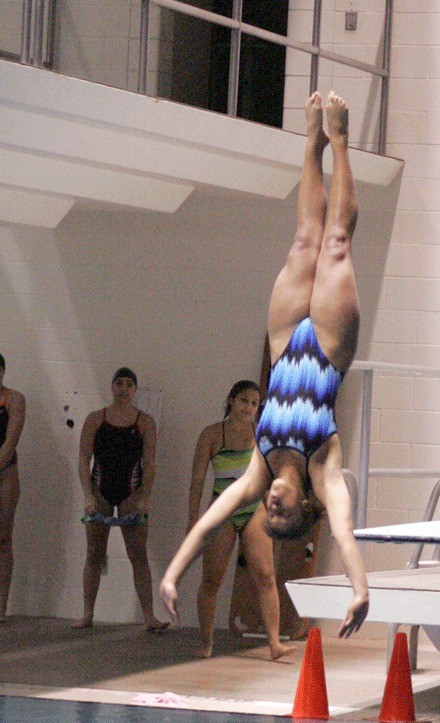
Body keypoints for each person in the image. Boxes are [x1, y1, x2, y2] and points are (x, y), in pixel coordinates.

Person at [161, 91, 369, 638]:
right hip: (326, 346)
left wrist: (173, 574)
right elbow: (345, 532)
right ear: (304, 509)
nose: (272, 504)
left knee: (305, 238)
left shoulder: (259, 467)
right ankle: (342, 143)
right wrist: (360, 589)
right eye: (283, 512)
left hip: (283, 344)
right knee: (337, 243)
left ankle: (310, 140)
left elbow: (210, 521)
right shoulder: (324, 469)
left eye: (269, 512)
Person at [187, 379, 295, 660]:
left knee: (266, 575)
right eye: (244, 401)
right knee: (212, 580)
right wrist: (192, 520)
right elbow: (197, 481)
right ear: (231, 400)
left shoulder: (261, 434)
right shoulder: (211, 435)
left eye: (254, 403)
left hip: (252, 509)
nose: (248, 407)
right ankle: (206, 641)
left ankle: (274, 643)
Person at [73, 367, 168, 631]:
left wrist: (144, 497)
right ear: (112, 387)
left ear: (135, 390)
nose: (123, 388)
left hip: (131, 493)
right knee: (94, 553)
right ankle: (87, 614)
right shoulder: (95, 419)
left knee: (138, 555)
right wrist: (88, 495)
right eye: (119, 383)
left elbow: (150, 464)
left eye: (129, 384)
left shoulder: (145, 422)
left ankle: (149, 617)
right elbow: (83, 460)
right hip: (100, 491)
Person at [0, 354, 26, 622]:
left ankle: (1, 605)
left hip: (5, 473)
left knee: (3, 539)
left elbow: (11, 441)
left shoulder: (14, 399)